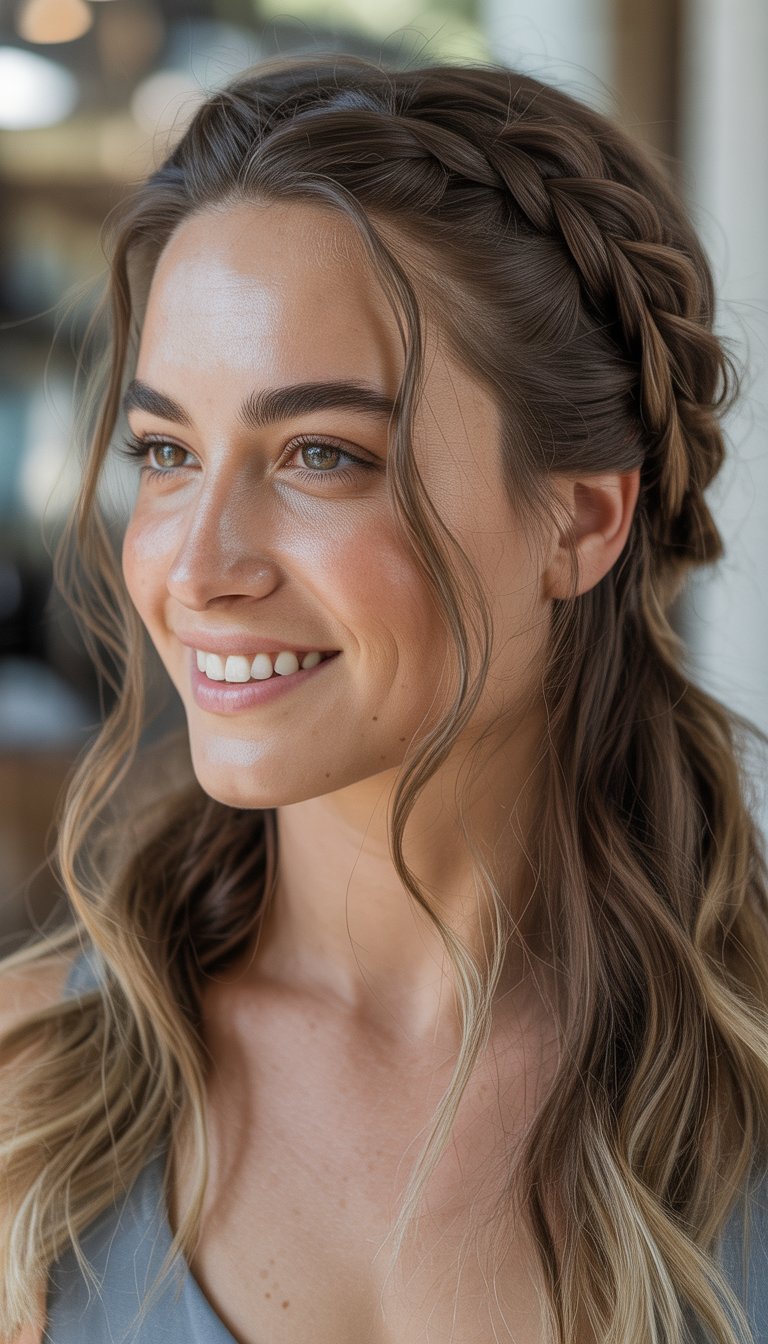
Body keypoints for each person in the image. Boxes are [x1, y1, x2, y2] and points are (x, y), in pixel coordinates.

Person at [1, 50, 767, 1344]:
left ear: (580, 520)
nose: (194, 568)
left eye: (320, 455)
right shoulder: (28, 1094)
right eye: (167, 454)